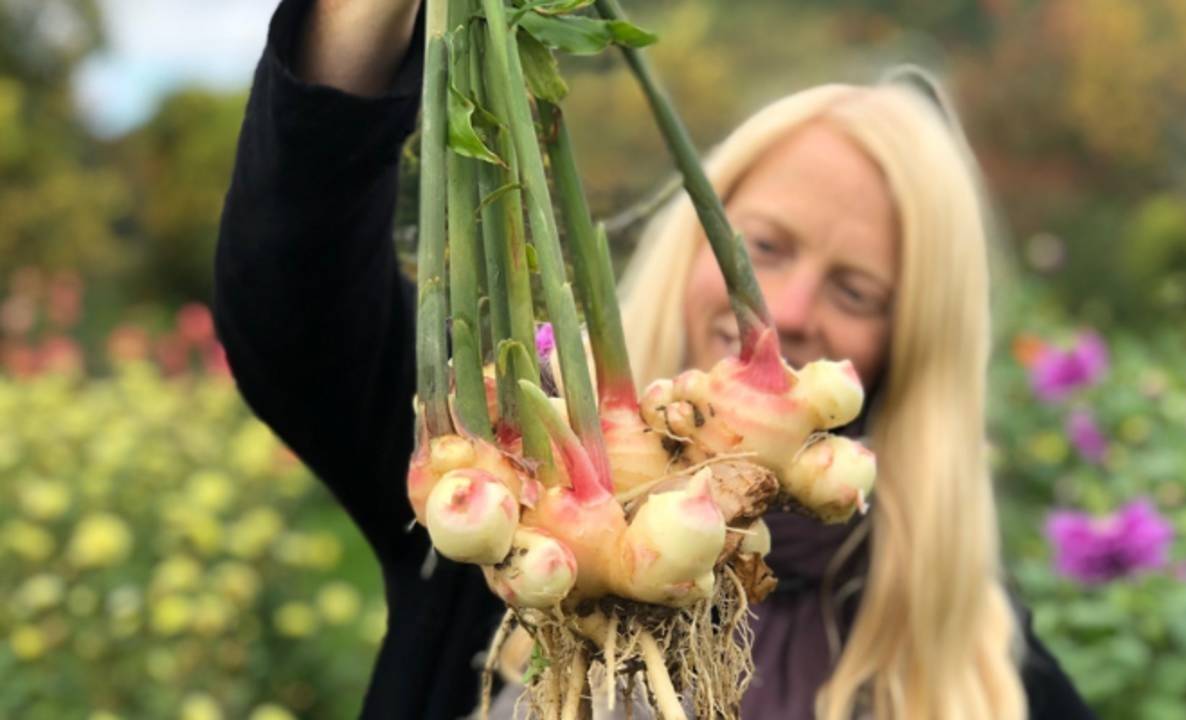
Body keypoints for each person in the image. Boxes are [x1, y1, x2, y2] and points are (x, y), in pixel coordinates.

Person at [214, 1, 1096, 718]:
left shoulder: (988, 672)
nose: (786, 311)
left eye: (857, 291)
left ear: (913, 345)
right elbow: (292, 303)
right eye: (765, 246)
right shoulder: (517, 484)